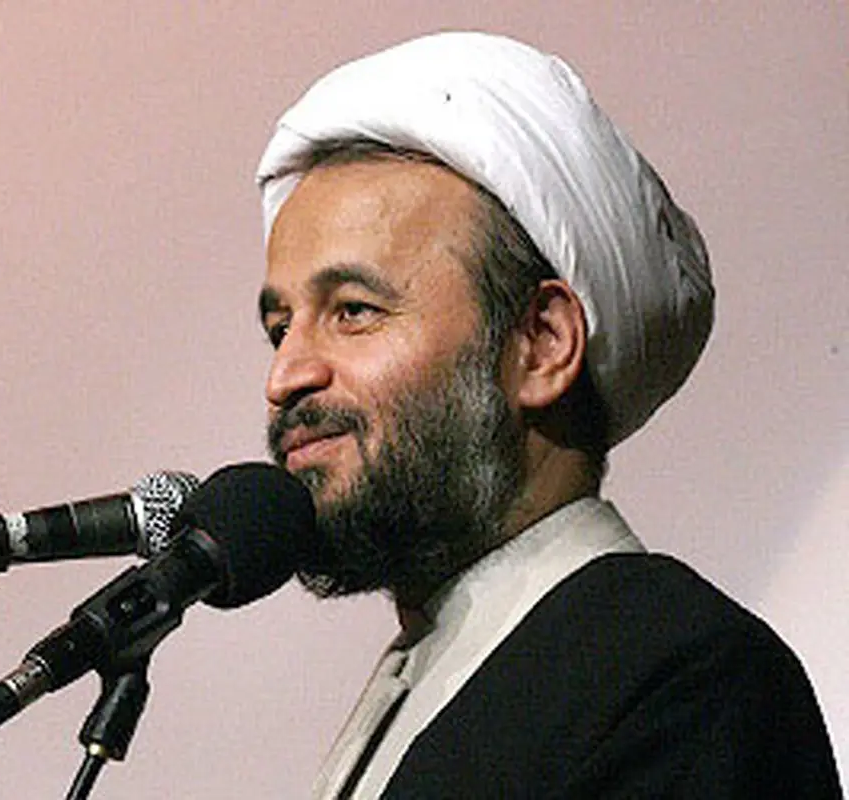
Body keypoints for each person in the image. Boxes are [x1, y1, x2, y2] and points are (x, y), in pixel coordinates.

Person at [254, 32, 841, 798]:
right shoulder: (427, 671)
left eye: (354, 311)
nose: (286, 376)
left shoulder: (678, 681)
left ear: (542, 343)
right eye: (280, 328)